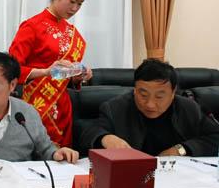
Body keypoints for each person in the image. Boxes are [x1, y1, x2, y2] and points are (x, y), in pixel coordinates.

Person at [9, 0, 93, 148]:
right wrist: (46, 72)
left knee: (64, 157)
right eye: (72, 1)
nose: (75, 8)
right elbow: (11, 69)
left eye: (80, 3)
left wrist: (78, 76)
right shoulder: (32, 26)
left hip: (62, 107)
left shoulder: (72, 32)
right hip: (34, 105)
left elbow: (65, 77)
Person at [80, 59, 219, 157]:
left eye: (159, 96)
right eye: (143, 95)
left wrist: (181, 149)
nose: (150, 104)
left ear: (173, 93)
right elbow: (88, 133)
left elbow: (214, 137)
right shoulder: (115, 108)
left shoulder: (188, 108)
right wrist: (105, 138)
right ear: (135, 90)